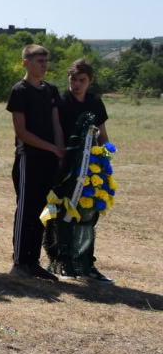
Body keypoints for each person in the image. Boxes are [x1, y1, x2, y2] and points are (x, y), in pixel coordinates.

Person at [6, 45, 64, 281]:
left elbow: (56, 123)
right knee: (26, 210)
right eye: (39, 60)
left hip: (49, 160)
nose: (44, 65)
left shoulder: (51, 90)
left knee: (43, 211)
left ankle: (33, 261)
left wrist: (60, 152)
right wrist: (51, 147)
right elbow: (21, 131)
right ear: (25, 62)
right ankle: (20, 261)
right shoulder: (19, 91)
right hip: (28, 158)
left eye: (45, 61)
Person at [53, 57, 112, 283]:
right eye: (73, 79)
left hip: (91, 167)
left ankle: (86, 263)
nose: (76, 84)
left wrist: (105, 162)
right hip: (65, 167)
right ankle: (62, 261)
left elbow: (103, 135)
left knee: (88, 215)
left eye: (81, 80)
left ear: (90, 80)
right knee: (63, 215)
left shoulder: (95, 102)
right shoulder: (61, 100)